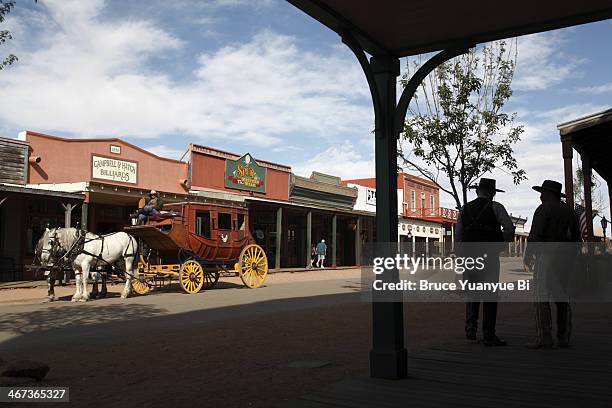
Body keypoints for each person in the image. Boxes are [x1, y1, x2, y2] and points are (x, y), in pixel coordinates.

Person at [456, 178, 514, 346]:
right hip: (489, 258)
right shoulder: (496, 207)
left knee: (472, 294)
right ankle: (488, 334)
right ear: (493, 193)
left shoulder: (464, 209)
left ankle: (470, 328)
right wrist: (500, 244)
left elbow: (458, 237)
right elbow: (509, 229)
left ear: (477, 191)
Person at [523, 180, 579, 349]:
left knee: (541, 296)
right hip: (566, 258)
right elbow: (577, 240)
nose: (540, 196)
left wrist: (528, 256)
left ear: (548, 194)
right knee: (562, 296)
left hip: (546, 256)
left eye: (542, 193)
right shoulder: (570, 212)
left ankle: (544, 337)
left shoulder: (543, 209)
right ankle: (564, 337)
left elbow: (535, 235)